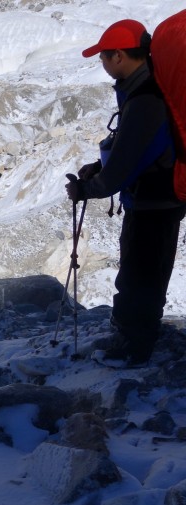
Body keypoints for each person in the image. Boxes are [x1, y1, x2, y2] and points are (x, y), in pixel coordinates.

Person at [66, 19, 186, 365]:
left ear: (119, 56)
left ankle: (134, 347)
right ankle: (134, 332)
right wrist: (99, 166)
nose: (102, 64)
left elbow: (122, 170)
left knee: (140, 273)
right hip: (157, 196)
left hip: (153, 200)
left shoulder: (145, 100)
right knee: (145, 269)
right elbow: (133, 151)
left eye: (103, 57)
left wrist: (86, 188)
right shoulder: (147, 88)